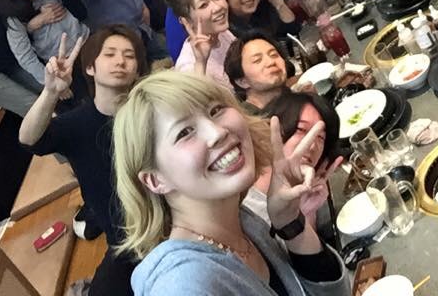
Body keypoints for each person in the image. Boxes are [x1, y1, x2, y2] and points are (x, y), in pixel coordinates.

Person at [113, 70, 348, 296]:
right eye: (184, 132)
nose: (217, 133)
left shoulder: (242, 222)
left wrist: (290, 221)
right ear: (156, 180)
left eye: (215, 110)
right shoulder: (186, 284)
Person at [20, 26, 149, 296]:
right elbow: (29, 139)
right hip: (124, 244)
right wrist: (50, 92)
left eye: (129, 56)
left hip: (168, 227)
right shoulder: (76, 123)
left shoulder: (148, 113)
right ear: (90, 68)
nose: (120, 61)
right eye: (110, 54)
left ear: (137, 70)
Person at [246, 91, 341, 244]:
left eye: (320, 137)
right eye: (301, 130)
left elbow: (311, 256)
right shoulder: (249, 208)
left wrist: (306, 214)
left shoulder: (309, 187)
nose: (312, 145)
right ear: (271, 131)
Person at [163, 0, 236, 89]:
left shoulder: (222, 32)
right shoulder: (188, 67)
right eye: (204, 5)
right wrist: (201, 63)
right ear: (186, 21)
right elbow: (197, 99)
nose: (218, 7)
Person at [224, 31, 291, 112]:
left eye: (274, 55)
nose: (271, 62)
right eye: (257, 60)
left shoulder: (295, 101)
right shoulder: (245, 118)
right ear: (242, 81)